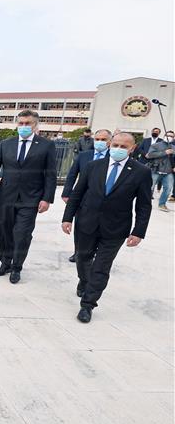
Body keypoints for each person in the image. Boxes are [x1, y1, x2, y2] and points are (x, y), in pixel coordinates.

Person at [62, 132, 152, 323]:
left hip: (116, 228)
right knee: (82, 257)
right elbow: (77, 193)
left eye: (123, 146)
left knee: (101, 267)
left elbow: (144, 205)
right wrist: (67, 218)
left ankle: (88, 304)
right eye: (116, 145)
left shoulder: (141, 171)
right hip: (86, 222)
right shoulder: (93, 166)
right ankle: (84, 281)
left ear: (132, 148)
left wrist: (138, 231)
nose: (118, 149)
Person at [0, 110, 56, 284]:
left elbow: (51, 173)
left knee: (22, 233)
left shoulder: (46, 145)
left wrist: (47, 198)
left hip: (31, 198)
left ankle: (17, 267)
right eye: (21, 123)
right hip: (7, 196)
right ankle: (5, 262)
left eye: (27, 123)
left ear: (35, 125)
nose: (23, 126)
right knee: (5, 231)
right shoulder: (6, 144)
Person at [61, 129, 112, 262]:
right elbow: (72, 175)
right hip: (82, 197)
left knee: (100, 226)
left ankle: (95, 252)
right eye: (97, 139)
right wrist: (67, 193)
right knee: (80, 225)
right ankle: (78, 251)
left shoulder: (113, 157)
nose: (100, 142)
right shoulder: (84, 156)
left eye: (103, 139)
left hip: (104, 199)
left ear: (110, 142)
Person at [145, 129, 175, 212]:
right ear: (164, 136)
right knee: (149, 187)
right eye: (168, 135)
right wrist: (165, 152)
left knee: (168, 188)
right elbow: (149, 155)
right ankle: (145, 203)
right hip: (156, 169)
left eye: (171, 136)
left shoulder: (173, 147)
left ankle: (162, 204)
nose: (169, 137)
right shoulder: (156, 145)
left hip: (168, 171)